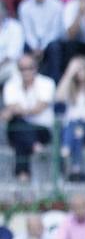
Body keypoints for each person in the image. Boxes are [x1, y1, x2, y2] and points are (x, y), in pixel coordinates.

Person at [1, 52, 54, 180]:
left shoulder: (47, 83)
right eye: (22, 69)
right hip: (21, 130)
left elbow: (39, 107)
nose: (26, 72)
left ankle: (22, 175)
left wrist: (18, 110)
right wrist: (17, 110)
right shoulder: (11, 85)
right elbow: (10, 111)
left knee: (20, 133)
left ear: (36, 67)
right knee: (18, 124)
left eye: (29, 68)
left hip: (41, 130)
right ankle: (34, 146)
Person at [56, 54, 85, 179]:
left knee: (77, 127)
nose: (78, 73)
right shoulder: (70, 89)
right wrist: (69, 73)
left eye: (81, 69)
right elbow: (59, 98)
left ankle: (66, 149)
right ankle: (76, 167)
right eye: (76, 70)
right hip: (73, 129)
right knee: (76, 130)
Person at [18, 0, 64, 81]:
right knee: (23, 47)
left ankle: (55, 81)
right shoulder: (24, 6)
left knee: (55, 47)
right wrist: (35, 46)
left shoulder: (57, 5)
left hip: (50, 41)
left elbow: (55, 30)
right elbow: (27, 31)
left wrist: (42, 46)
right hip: (31, 43)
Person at [0, 0, 24, 85]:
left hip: (7, 65)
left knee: (14, 70)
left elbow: (12, 53)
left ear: (4, 12)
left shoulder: (15, 27)